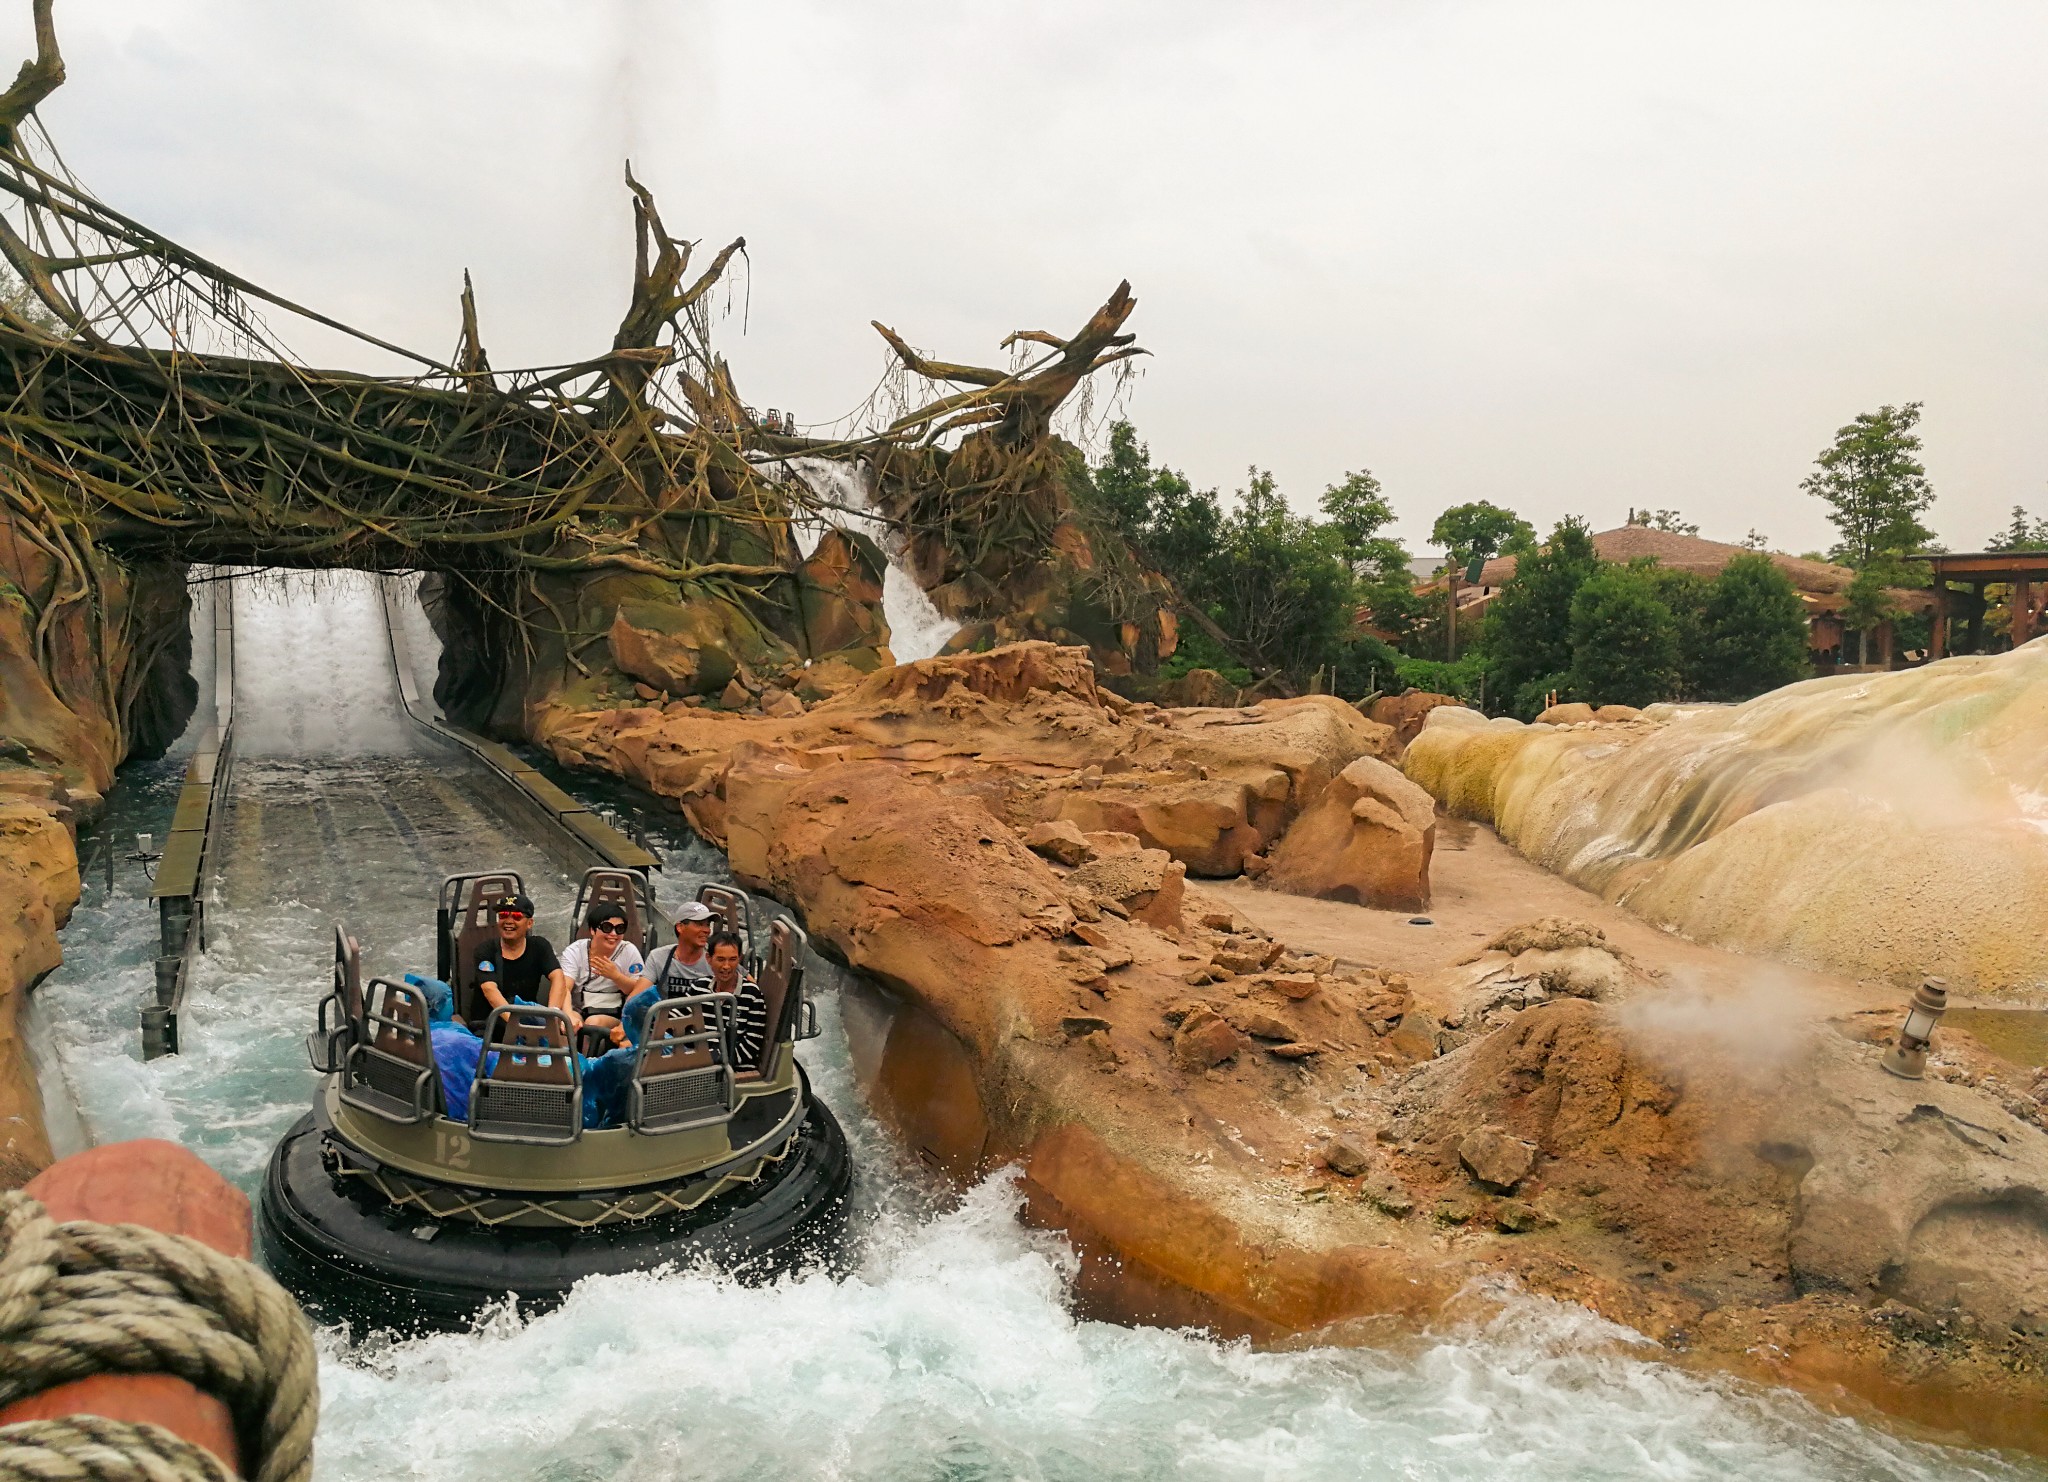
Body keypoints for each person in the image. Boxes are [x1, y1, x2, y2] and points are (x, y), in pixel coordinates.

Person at [470, 894, 569, 1032]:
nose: (508, 921)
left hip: (529, 1020)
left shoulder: (540, 946)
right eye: (503, 915)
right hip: (489, 1026)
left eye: (516, 916)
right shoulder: (485, 950)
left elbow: (558, 977)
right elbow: (490, 990)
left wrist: (553, 1016)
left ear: (529, 923)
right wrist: (517, 1026)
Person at [557, 903, 648, 1038]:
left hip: (612, 1013)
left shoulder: (628, 951)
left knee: (593, 1023)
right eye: (607, 928)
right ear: (593, 930)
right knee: (566, 1023)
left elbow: (639, 990)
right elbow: (564, 987)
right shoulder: (575, 951)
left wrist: (616, 976)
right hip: (579, 1008)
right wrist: (569, 1015)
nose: (613, 934)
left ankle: (588, 1059)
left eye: (619, 929)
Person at [404, 972, 484, 1121]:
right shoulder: (455, 1038)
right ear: (437, 1005)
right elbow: (498, 1063)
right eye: (449, 999)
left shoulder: (402, 1032)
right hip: (457, 1114)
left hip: (419, 1104)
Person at [707, 929, 772, 1071]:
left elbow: (752, 1044)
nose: (726, 966)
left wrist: (719, 1060)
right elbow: (677, 1022)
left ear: (740, 959)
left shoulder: (752, 995)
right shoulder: (699, 988)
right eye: (720, 959)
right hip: (697, 1064)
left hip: (733, 1067)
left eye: (732, 959)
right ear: (708, 959)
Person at [640, 900, 716, 999]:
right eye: (699, 924)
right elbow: (637, 998)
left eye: (707, 925)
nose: (707, 930)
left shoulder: (717, 961)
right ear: (680, 927)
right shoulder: (658, 957)